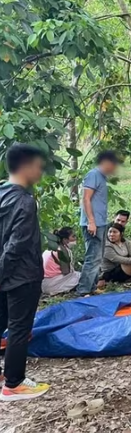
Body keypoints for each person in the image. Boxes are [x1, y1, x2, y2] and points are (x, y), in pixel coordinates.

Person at [0, 144, 50, 401]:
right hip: (22, 276)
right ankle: (14, 383)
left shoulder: (1, 193)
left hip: (5, 276)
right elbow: (17, 245)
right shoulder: (24, 201)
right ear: (26, 167)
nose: (40, 171)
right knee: (19, 329)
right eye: (38, 166)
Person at [77, 151, 120, 295]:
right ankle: (83, 290)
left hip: (100, 223)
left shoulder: (101, 177)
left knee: (98, 258)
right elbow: (86, 199)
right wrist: (91, 221)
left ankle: (92, 287)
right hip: (93, 224)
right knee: (92, 258)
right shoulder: (93, 175)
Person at [42, 227, 81, 295]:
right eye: (73, 236)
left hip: (42, 283)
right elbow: (67, 272)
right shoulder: (62, 250)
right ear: (65, 239)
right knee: (81, 276)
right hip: (52, 283)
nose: (75, 238)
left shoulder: (50, 247)